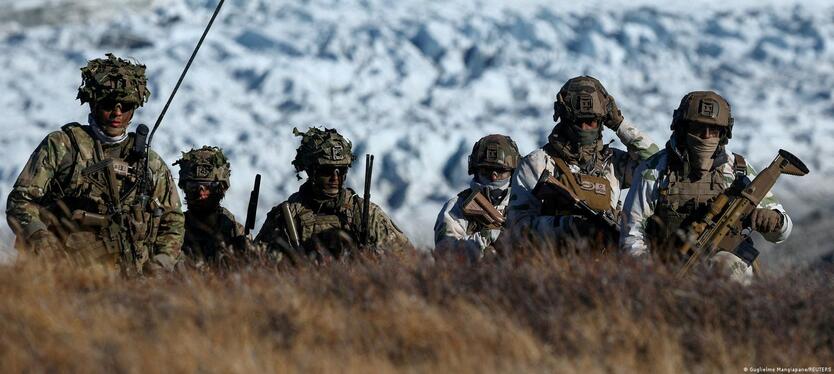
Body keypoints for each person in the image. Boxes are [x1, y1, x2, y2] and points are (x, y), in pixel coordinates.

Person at [6, 53, 184, 273]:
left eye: (126, 106)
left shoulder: (149, 162)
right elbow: (20, 201)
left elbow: (172, 219)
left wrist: (160, 263)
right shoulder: (63, 146)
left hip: (131, 278)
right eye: (109, 104)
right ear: (93, 103)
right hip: (60, 273)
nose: (117, 113)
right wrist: (42, 241)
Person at [620, 91, 792, 283]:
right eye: (698, 129)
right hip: (669, 269)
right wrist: (651, 277)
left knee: (728, 268)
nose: (706, 136)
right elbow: (632, 233)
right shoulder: (654, 170)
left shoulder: (737, 170)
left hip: (727, 270)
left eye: (714, 131)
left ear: (723, 134)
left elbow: (783, 231)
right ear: (683, 129)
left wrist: (774, 220)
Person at [507, 76, 658, 250]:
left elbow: (655, 164)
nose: (585, 128)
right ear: (565, 119)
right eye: (579, 121)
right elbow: (517, 228)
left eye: (591, 121)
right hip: (553, 261)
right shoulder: (538, 163)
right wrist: (567, 226)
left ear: (602, 121)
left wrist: (619, 124)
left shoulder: (614, 163)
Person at [256, 127, 410, 261]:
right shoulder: (287, 215)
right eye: (326, 171)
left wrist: (372, 258)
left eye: (341, 170)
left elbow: (407, 257)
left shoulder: (365, 213)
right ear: (311, 171)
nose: (335, 178)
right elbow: (258, 263)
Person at [434, 134, 520, 262]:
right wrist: (486, 237)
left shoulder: (525, 203)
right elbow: (445, 255)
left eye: (501, 170)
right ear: (475, 170)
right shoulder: (456, 208)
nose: (494, 176)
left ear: (513, 172)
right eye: (486, 170)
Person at [174, 146, 251, 264]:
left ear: (221, 189)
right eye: (193, 187)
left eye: (209, 187)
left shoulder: (234, 231)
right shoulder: (172, 231)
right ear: (185, 188)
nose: (201, 193)